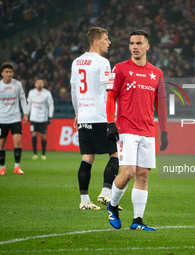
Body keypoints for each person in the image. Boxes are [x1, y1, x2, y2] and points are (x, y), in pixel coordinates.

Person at [106, 29, 168, 231]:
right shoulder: (120, 69)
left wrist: (164, 131)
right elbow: (111, 97)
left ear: (147, 46)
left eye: (139, 43)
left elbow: (161, 104)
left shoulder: (156, 73)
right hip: (126, 128)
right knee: (128, 172)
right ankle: (112, 204)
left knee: (143, 175)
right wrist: (110, 123)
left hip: (148, 130)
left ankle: (137, 221)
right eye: (132, 43)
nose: (135, 47)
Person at [70, 27, 120, 211]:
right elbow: (108, 92)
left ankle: (84, 201)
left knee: (87, 157)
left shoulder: (76, 62)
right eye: (106, 39)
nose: (109, 42)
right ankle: (106, 193)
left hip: (83, 115)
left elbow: (74, 91)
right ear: (96, 41)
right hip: (100, 116)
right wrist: (111, 118)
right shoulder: (103, 62)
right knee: (115, 154)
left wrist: (77, 112)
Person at [0, 62, 28, 175]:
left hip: (15, 117)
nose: (9, 74)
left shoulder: (18, 85)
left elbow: (23, 99)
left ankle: (17, 167)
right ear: (2, 73)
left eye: (10, 72)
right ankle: (2, 168)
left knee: (18, 140)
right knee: (1, 142)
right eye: (6, 72)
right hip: (2, 119)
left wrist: (25, 113)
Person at [27, 78, 54, 160]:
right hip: (33, 118)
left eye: (41, 82)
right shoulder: (31, 92)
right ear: (35, 84)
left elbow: (51, 105)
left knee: (43, 136)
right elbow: (29, 104)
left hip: (43, 118)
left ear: (43, 84)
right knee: (34, 135)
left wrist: (50, 116)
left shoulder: (47, 93)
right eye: (38, 82)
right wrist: (26, 114)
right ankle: (35, 153)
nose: (39, 84)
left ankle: (43, 153)